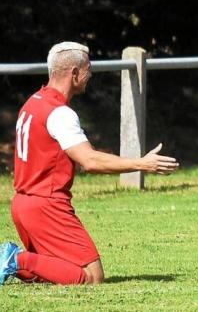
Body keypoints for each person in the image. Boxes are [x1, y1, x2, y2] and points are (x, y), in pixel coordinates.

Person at [0, 42, 178, 285]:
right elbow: (90, 161)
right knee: (92, 277)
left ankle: (20, 260)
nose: (90, 75)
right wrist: (143, 163)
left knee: (57, 272)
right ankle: (16, 259)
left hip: (23, 204)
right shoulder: (60, 113)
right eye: (88, 69)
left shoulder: (32, 102)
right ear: (74, 73)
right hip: (47, 206)